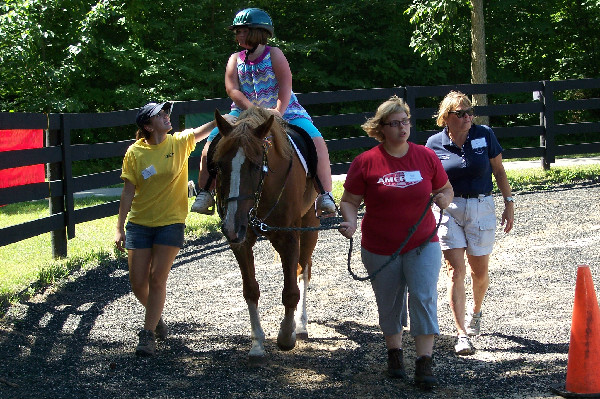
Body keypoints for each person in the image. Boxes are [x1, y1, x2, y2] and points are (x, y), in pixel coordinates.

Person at [338, 96, 453, 388]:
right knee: (389, 304)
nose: (403, 128)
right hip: (379, 247)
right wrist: (350, 221)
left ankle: (424, 363)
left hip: (422, 242)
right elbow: (349, 200)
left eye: (406, 122)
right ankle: (394, 353)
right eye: (395, 123)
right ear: (381, 128)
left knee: (423, 297)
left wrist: (443, 199)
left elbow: (445, 187)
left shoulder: (426, 157)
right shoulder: (365, 162)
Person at [115, 101, 234, 356]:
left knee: (157, 277)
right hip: (139, 224)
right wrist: (119, 228)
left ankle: (147, 335)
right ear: (148, 125)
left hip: (171, 222)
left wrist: (221, 120)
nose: (167, 116)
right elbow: (127, 192)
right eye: (161, 114)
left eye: (167, 112)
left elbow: (202, 131)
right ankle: (155, 315)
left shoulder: (178, 142)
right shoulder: (134, 153)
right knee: (137, 283)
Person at [190, 7, 335, 216]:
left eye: (243, 31)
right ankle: (205, 191)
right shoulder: (235, 59)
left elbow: (285, 85)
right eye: (237, 32)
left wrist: (278, 110)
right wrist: (253, 110)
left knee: (314, 138)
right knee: (212, 141)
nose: (238, 35)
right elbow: (232, 89)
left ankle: (324, 193)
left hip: (284, 111)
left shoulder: (274, 54)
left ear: (258, 32)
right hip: (242, 112)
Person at [425, 91, 515, 356]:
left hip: (481, 206)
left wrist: (508, 203)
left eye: (470, 112)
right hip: (449, 210)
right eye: (461, 113)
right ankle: (461, 333)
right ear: (446, 118)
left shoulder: (484, 135)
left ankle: (476, 311)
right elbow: (427, 180)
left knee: (479, 272)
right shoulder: (433, 144)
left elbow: (499, 172)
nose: (468, 117)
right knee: (455, 271)